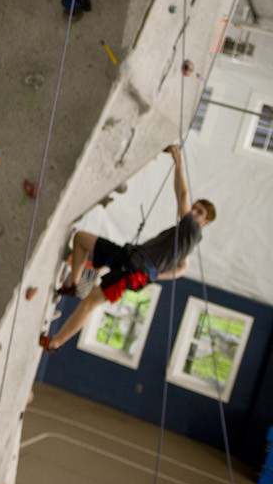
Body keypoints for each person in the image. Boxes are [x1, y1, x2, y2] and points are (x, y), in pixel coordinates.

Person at [41, 144, 215, 352]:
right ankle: (72, 284)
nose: (194, 213)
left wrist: (179, 163)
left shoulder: (193, 231)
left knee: (90, 302)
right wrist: (156, 274)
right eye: (195, 209)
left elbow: (183, 196)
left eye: (199, 212)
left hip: (134, 271)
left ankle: (55, 343)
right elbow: (183, 268)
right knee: (81, 239)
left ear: (205, 222)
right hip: (130, 257)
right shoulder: (185, 240)